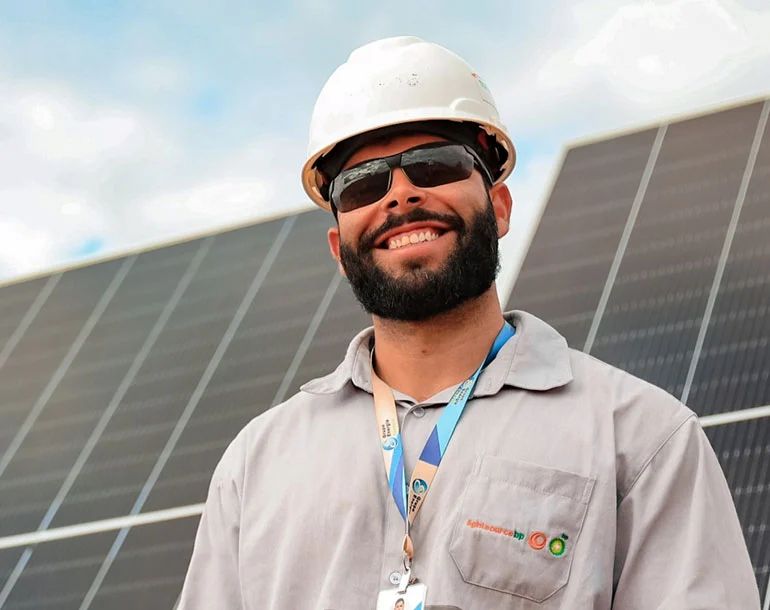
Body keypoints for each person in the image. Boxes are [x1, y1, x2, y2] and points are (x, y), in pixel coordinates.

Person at [178, 36, 760, 609]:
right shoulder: (256, 465)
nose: (400, 195)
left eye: (435, 165)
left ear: (500, 208)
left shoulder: (639, 438)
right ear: (338, 248)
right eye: (362, 184)